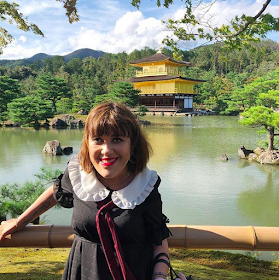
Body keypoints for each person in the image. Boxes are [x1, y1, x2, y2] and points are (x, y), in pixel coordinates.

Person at [0, 102, 171, 280]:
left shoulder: (145, 185)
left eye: (117, 139)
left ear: (132, 144)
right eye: (98, 140)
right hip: (82, 271)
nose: (106, 150)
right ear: (87, 143)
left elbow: (159, 242)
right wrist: (20, 221)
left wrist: (159, 277)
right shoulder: (79, 174)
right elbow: (55, 193)